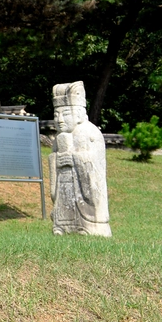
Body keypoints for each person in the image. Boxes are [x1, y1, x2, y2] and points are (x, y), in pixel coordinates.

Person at [49, 81, 111, 237]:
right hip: (64, 187)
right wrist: (56, 159)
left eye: (66, 114)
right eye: (56, 115)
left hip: (85, 197)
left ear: (79, 114)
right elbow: (54, 160)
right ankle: (62, 224)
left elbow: (95, 163)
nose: (60, 120)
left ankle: (91, 224)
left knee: (88, 226)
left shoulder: (89, 132)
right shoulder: (58, 138)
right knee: (62, 214)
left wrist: (74, 158)